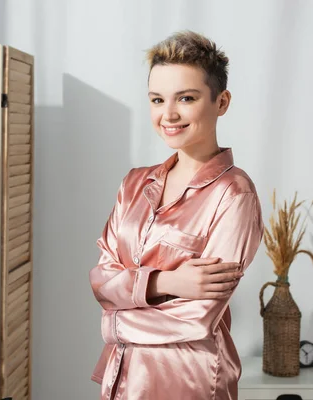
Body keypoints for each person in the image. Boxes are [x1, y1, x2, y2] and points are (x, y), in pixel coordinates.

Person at [89, 31, 264, 399]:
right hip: (121, 378)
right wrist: (164, 283)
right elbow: (101, 280)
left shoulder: (235, 195)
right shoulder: (134, 183)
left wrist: (117, 314)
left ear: (221, 102)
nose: (168, 114)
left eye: (186, 98)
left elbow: (196, 316)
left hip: (190, 382)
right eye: (157, 99)